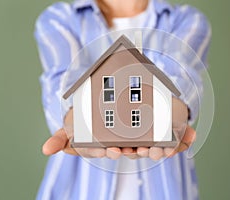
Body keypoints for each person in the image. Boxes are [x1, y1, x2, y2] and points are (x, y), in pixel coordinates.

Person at [34, 0, 211, 199]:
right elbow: (63, 78)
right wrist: (75, 116)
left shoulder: (187, 21)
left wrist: (174, 110)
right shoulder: (60, 18)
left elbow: (180, 73)